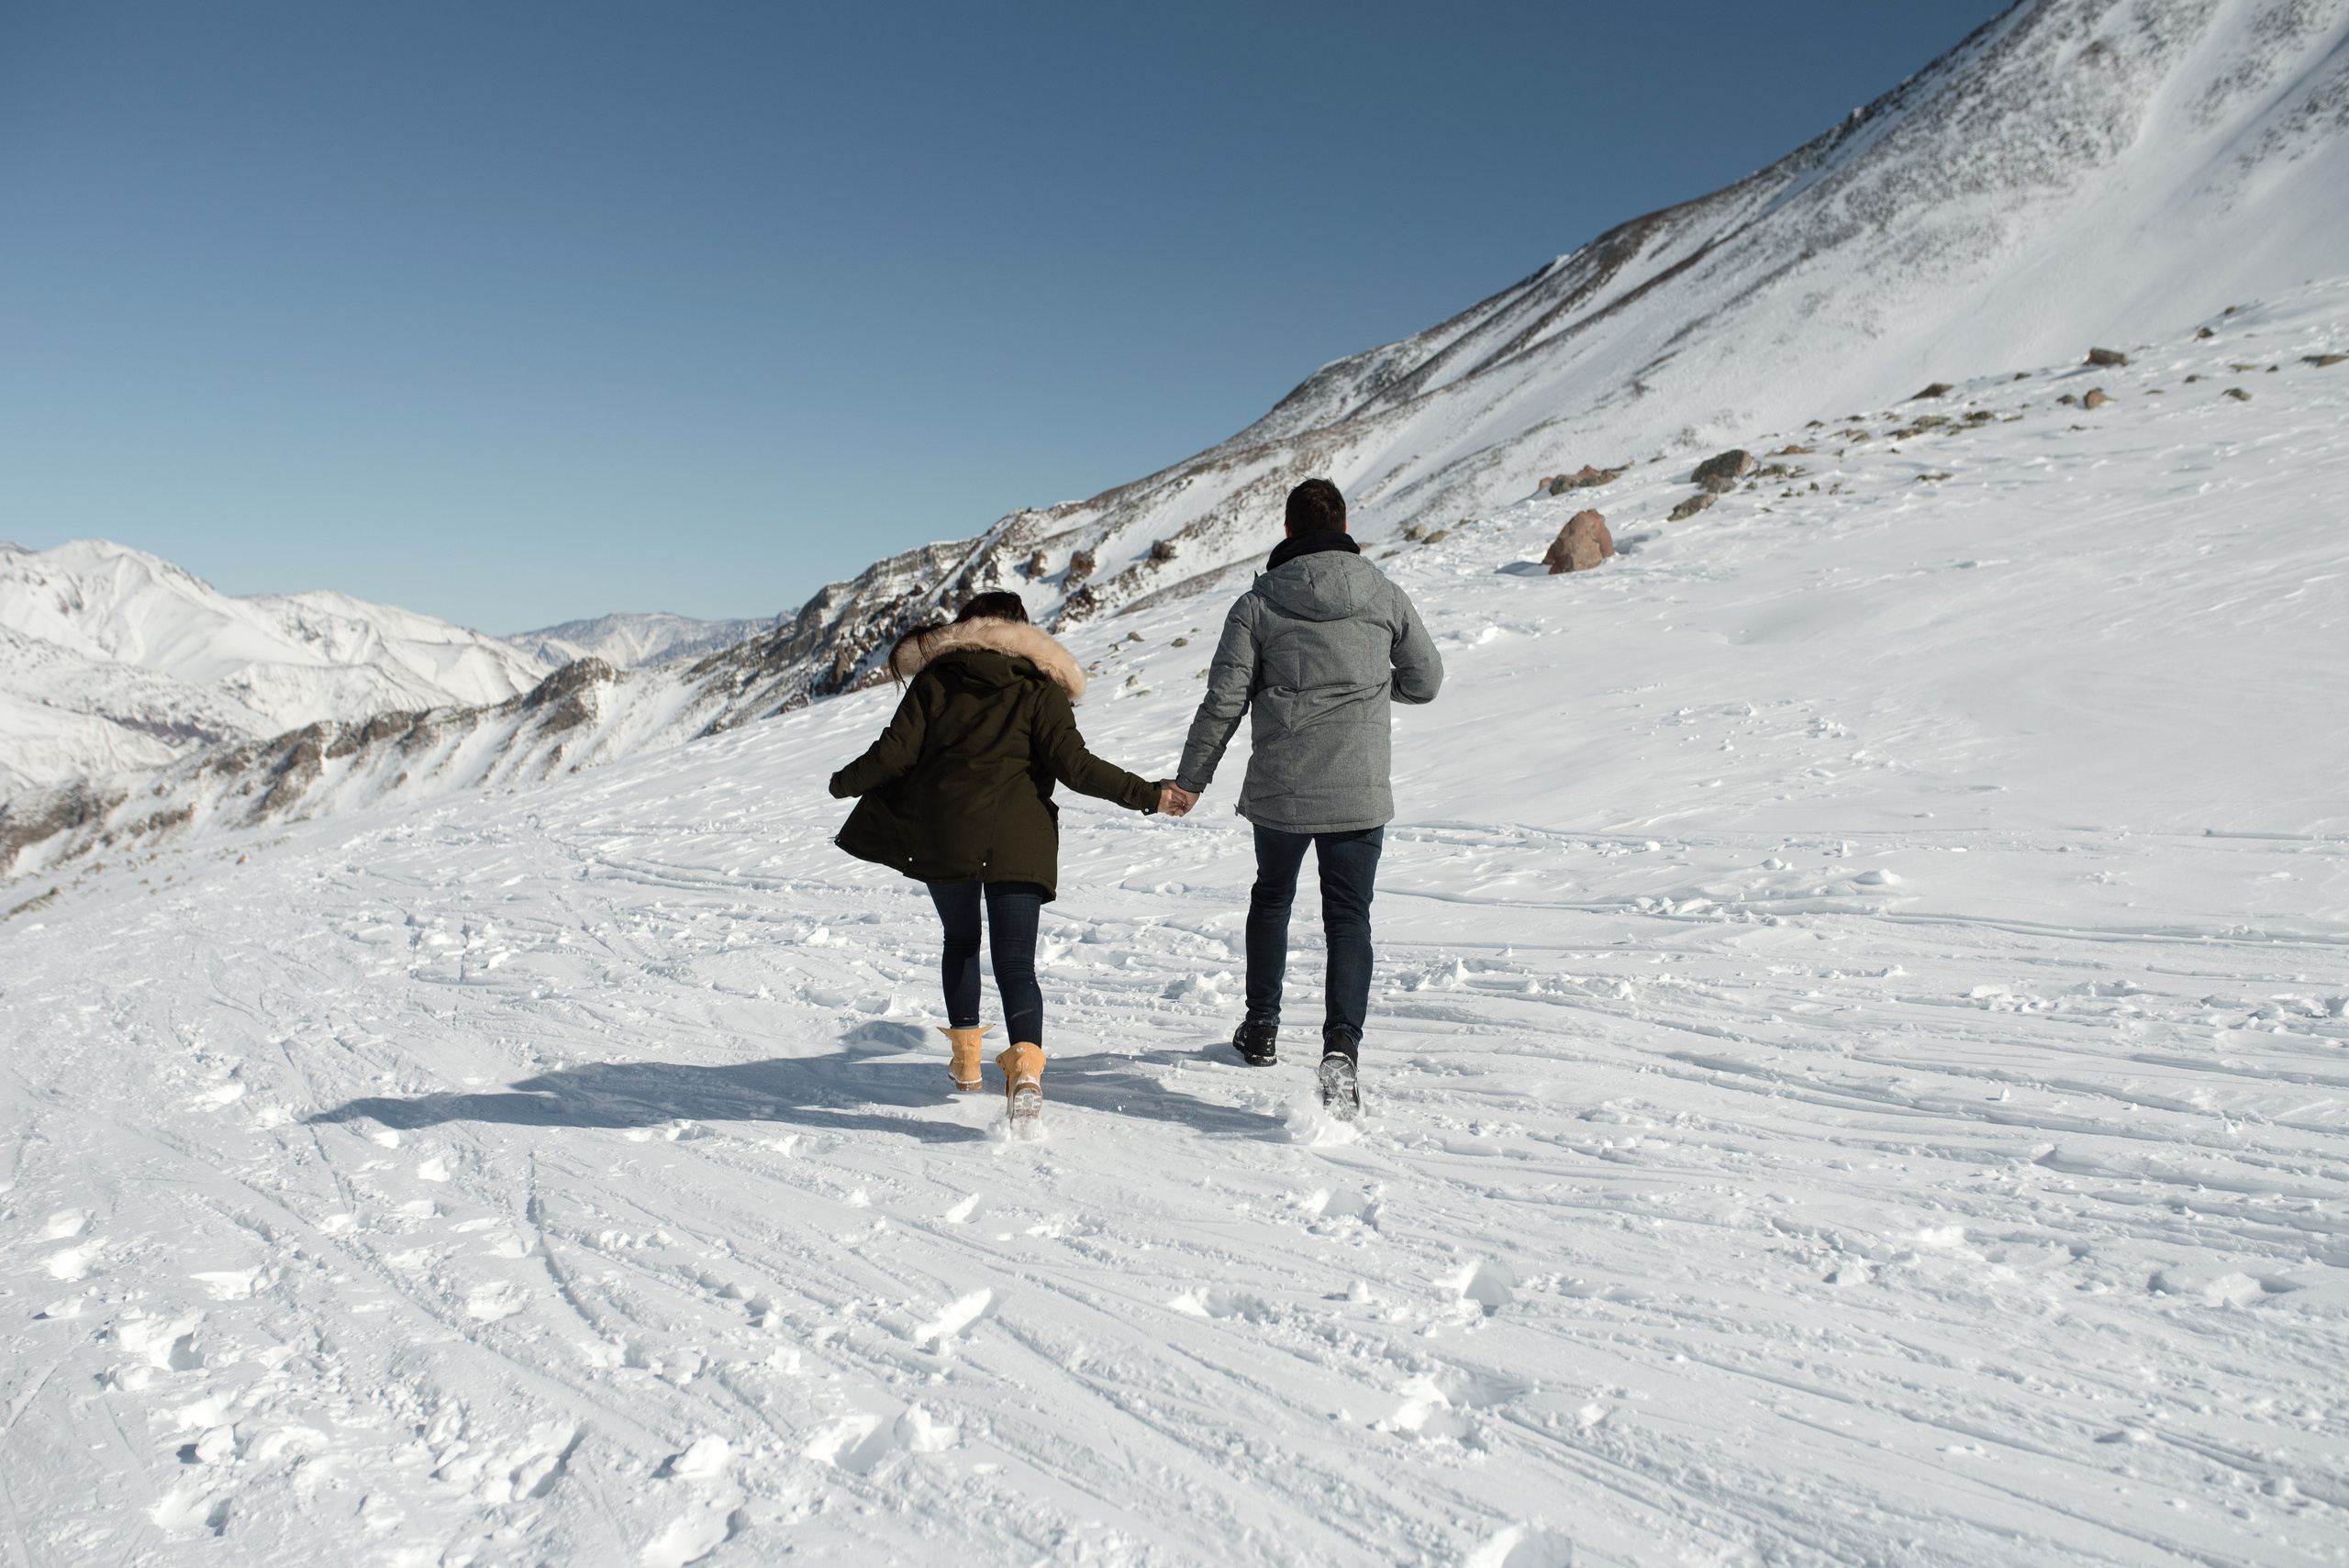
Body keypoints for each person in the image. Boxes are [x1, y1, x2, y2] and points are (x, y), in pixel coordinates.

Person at [828, 591, 1185, 1135]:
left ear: (966, 627)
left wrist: (843, 782)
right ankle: (1024, 1074)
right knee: (1017, 964)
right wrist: (1149, 793)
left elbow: (893, 754)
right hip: (1020, 840)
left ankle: (968, 1061)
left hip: (947, 836)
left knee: (961, 941)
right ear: (1024, 632)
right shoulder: (1039, 687)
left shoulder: (936, 680)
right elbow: (1076, 766)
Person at [1165, 478, 1442, 1118]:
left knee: (1273, 896)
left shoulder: (1258, 603)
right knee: (1349, 916)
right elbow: (1426, 680)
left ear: (1288, 532)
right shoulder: (1382, 593)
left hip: (1282, 791)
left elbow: (1224, 702)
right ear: (1344, 524)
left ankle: (1261, 1027)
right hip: (1358, 787)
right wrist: (1371, 691)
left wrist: (1190, 780)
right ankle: (1340, 1048)